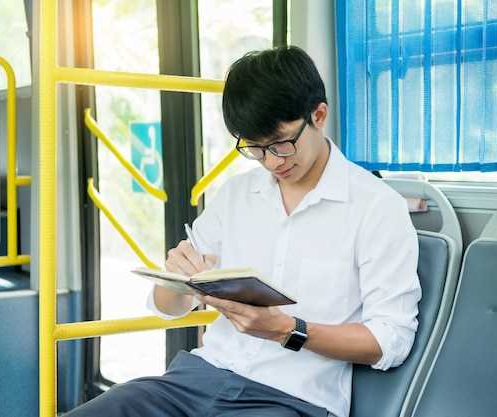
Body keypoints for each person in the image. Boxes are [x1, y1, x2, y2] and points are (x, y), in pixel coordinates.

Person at [66, 46, 421, 417]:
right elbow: (169, 307)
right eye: (254, 148)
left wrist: (287, 330)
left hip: (291, 400)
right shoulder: (236, 195)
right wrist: (175, 278)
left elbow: (389, 341)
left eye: (280, 144)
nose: (270, 162)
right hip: (194, 381)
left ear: (318, 116)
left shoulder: (376, 207)